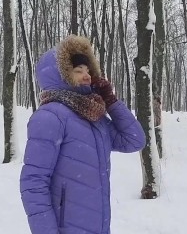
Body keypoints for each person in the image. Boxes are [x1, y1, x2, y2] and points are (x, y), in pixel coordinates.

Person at [20, 35, 146, 234]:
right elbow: (33, 183)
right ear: (61, 75)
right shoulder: (49, 116)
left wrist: (110, 101)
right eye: (78, 71)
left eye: (88, 70)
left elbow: (134, 140)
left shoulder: (94, 117)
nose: (87, 75)